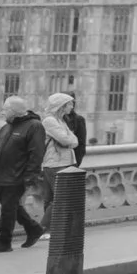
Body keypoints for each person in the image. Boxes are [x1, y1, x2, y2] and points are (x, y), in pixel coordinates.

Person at [0, 96, 48, 252]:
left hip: (18, 175)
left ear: (14, 111)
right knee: (11, 206)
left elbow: (36, 154)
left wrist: (30, 177)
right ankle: (34, 229)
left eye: (5, 109)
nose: (2, 113)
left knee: (8, 209)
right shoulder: (6, 128)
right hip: (3, 174)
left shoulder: (34, 126)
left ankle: (4, 242)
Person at [36, 93, 81, 224]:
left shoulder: (60, 121)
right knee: (60, 198)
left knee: (52, 198)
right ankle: (42, 228)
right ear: (61, 106)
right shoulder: (49, 121)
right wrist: (70, 140)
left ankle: (51, 229)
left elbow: (75, 141)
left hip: (63, 163)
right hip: (55, 164)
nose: (72, 107)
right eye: (69, 104)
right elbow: (67, 140)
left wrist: (70, 140)